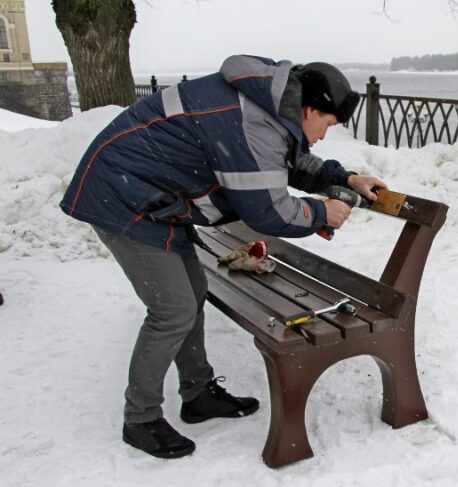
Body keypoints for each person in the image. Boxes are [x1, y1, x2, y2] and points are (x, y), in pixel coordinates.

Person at [60, 55, 386, 459]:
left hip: (155, 193)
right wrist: (322, 212)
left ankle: (197, 394)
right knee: (172, 309)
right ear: (309, 109)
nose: (324, 135)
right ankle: (140, 419)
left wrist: (346, 178)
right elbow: (268, 211)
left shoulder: (267, 103)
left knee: (192, 291)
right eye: (328, 125)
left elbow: (288, 160)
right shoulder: (254, 123)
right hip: (124, 197)